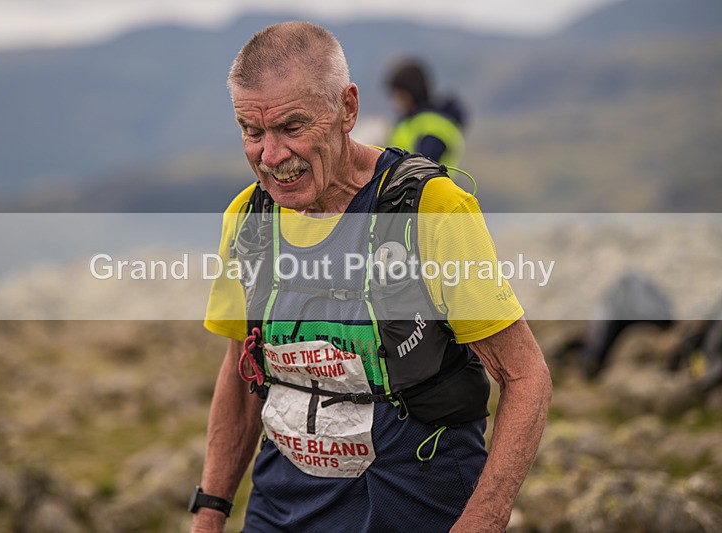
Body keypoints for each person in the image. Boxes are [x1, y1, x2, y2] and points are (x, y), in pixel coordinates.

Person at [194, 21, 551, 533]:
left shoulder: (431, 210)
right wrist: (209, 513)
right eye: (252, 131)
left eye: (292, 127)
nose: (271, 157)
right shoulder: (249, 219)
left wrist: (485, 519)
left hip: (414, 505)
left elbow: (525, 375)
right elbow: (239, 370)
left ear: (347, 108)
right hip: (281, 508)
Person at [386, 59, 469, 167]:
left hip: (426, 179)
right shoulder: (407, 122)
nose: (395, 102)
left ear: (409, 93)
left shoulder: (434, 125)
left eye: (398, 95)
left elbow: (424, 167)